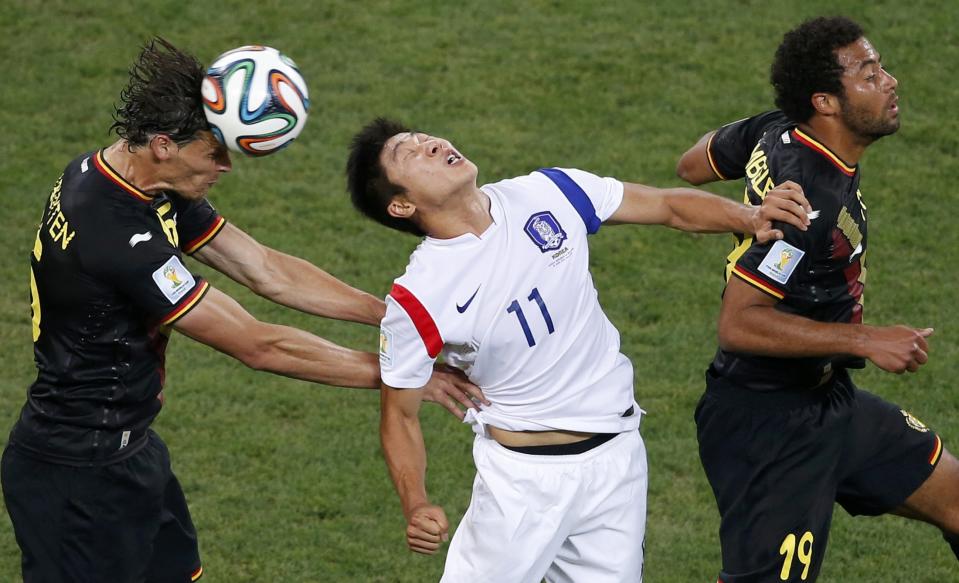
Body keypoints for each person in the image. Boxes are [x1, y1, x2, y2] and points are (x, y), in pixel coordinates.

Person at [1, 38, 481, 583]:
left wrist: (394, 315)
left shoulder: (132, 179)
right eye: (215, 152)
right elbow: (259, 345)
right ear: (163, 144)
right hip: (75, 477)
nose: (227, 166)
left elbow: (263, 268)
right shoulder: (115, 235)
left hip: (131, 453)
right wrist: (407, 377)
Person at [346, 117, 811, 582]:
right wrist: (417, 503)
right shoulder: (419, 296)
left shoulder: (549, 191)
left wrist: (748, 217)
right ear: (401, 205)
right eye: (409, 153)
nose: (431, 144)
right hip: (522, 487)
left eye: (425, 137)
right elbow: (399, 415)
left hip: (617, 461)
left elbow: (667, 207)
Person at [675, 16, 959, 583]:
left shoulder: (776, 128)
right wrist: (866, 339)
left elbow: (691, 165)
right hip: (768, 429)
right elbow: (739, 323)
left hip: (830, 401)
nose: (892, 81)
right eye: (871, 73)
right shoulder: (808, 210)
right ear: (825, 101)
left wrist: (750, 204)